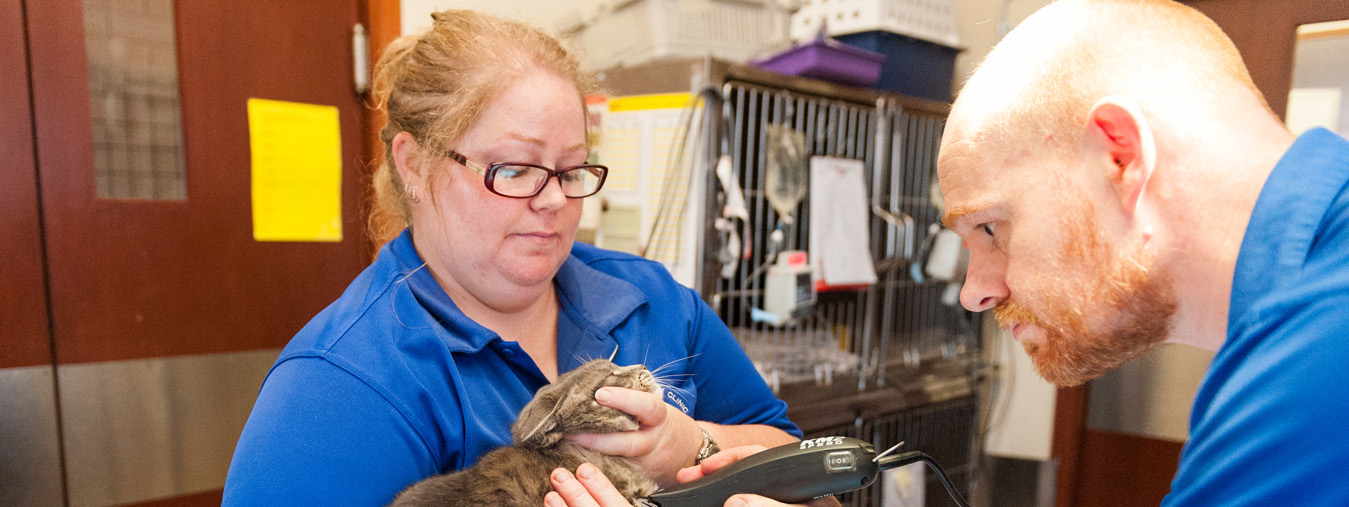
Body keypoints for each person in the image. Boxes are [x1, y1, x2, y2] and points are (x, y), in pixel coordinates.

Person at [555, 0, 1349, 506]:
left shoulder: (1316, 355)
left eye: (991, 229)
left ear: (1118, 156)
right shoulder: (1293, 314)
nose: (973, 291)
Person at [221, 10, 801, 505]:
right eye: (515, 169)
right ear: (414, 165)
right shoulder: (339, 387)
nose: (554, 200)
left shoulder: (650, 299)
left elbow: (812, 472)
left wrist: (692, 445)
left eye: (571, 169)